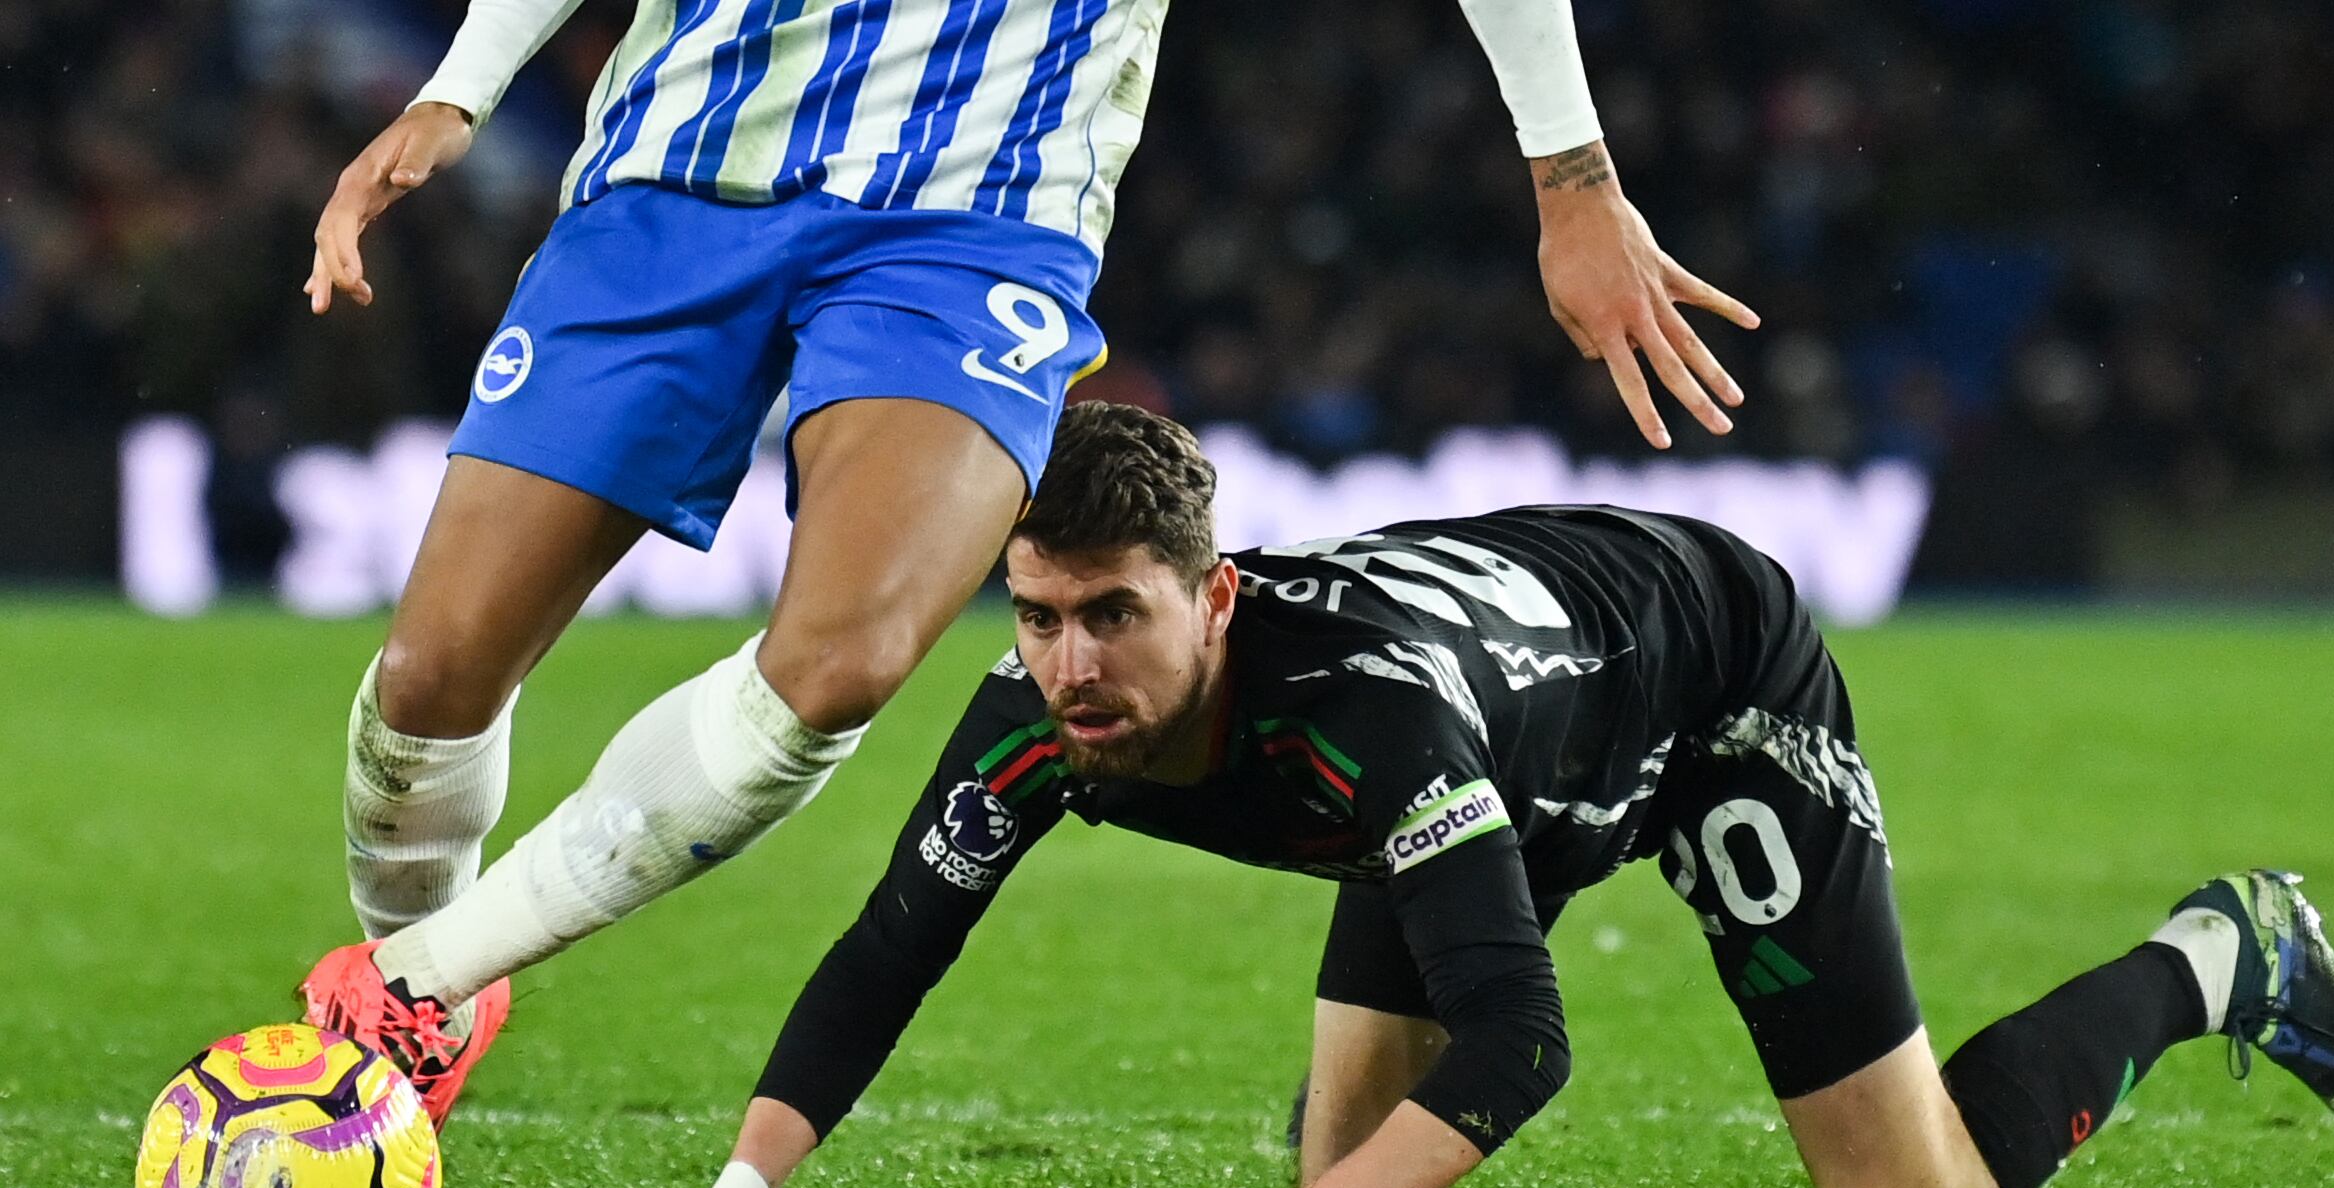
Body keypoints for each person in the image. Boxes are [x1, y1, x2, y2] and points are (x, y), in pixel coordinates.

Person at [296, 0, 1762, 1126]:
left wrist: (1572, 177)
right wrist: (458, 86)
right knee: (432, 678)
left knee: (841, 660)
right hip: (679, 170)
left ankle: (402, 1002)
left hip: (974, 213)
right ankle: (418, 1000)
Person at [541, 403, 2334, 1188]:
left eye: (1111, 615)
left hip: (1707, 680)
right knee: (1351, 1161)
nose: (1064, 666)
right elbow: (893, 946)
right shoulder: (1036, 723)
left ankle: (2221, 953)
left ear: (1215, 600)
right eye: (1035, 615)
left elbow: (1528, 1042)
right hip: (1499, 732)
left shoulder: (1364, 716)